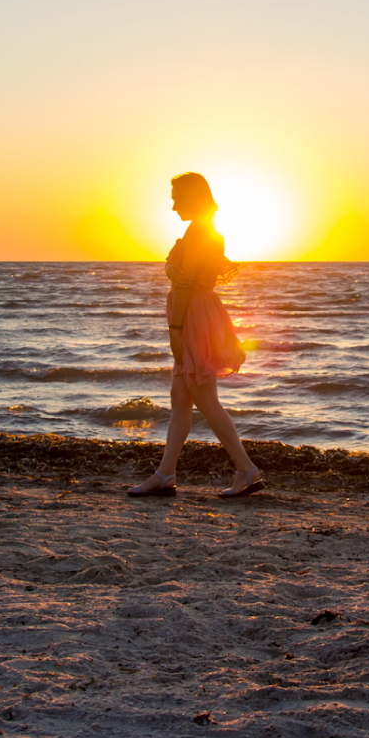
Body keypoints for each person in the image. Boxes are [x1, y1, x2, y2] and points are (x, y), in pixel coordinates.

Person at [129, 172, 265, 498]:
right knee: (180, 400)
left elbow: (187, 286)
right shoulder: (200, 230)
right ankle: (165, 474)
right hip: (194, 316)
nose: (173, 205)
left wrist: (176, 329)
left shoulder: (202, 232)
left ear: (193, 198)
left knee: (206, 400)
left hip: (192, 319)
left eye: (177, 197)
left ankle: (246, 471)